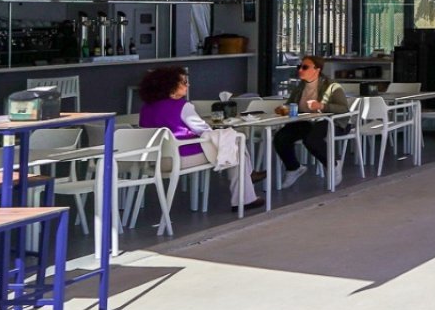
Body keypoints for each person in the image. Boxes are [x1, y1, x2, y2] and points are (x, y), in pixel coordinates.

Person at [137, 66, 261, 210]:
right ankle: (244, 197)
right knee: (234, 144)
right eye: (184, 82)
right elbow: (203, 130)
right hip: (179, 157)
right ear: (170, 86)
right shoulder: (182, 106)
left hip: (154, 160)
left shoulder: (146, 108)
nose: (188, 85)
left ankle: (248, 177)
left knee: (232, 144)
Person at [272, 54, 350, 189]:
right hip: (306, 121)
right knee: (280, 137)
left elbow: (343, 108)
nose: (300, 70)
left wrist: (322, 106)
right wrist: (284, 108)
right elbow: (291, 104)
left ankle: (333, 164)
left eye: (305, 67)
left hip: (330, 121)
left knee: (311, 139)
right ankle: (294, 168)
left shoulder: (332, 86)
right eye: (299, 66)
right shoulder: (300, 87)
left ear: (317, 69)